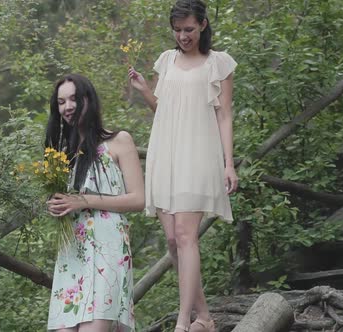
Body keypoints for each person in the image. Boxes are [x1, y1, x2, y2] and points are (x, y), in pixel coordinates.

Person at [128, 0, 238, 331]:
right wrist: (146, 92)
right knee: (173, 242)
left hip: (198, 154)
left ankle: (182, 320)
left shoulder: (218, 63)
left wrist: (228, 163)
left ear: (203, 25)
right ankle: (204, 317)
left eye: (188, 29)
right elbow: (163, 110)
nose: (182, 36)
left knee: (185, 235)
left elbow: (224, 114)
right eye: (177, 30)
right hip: (166, 154)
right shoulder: (167, 61)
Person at [44, 73, 144, 332]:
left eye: (74, 99)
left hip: (107, 247)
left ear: (89, 99)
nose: (68, 107)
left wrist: (83, 200)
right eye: (61, 102)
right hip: (72, 252)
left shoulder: (118, 141)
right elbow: (65, 201)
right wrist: (56, 205)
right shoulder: (62, 153)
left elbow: (139, 199)